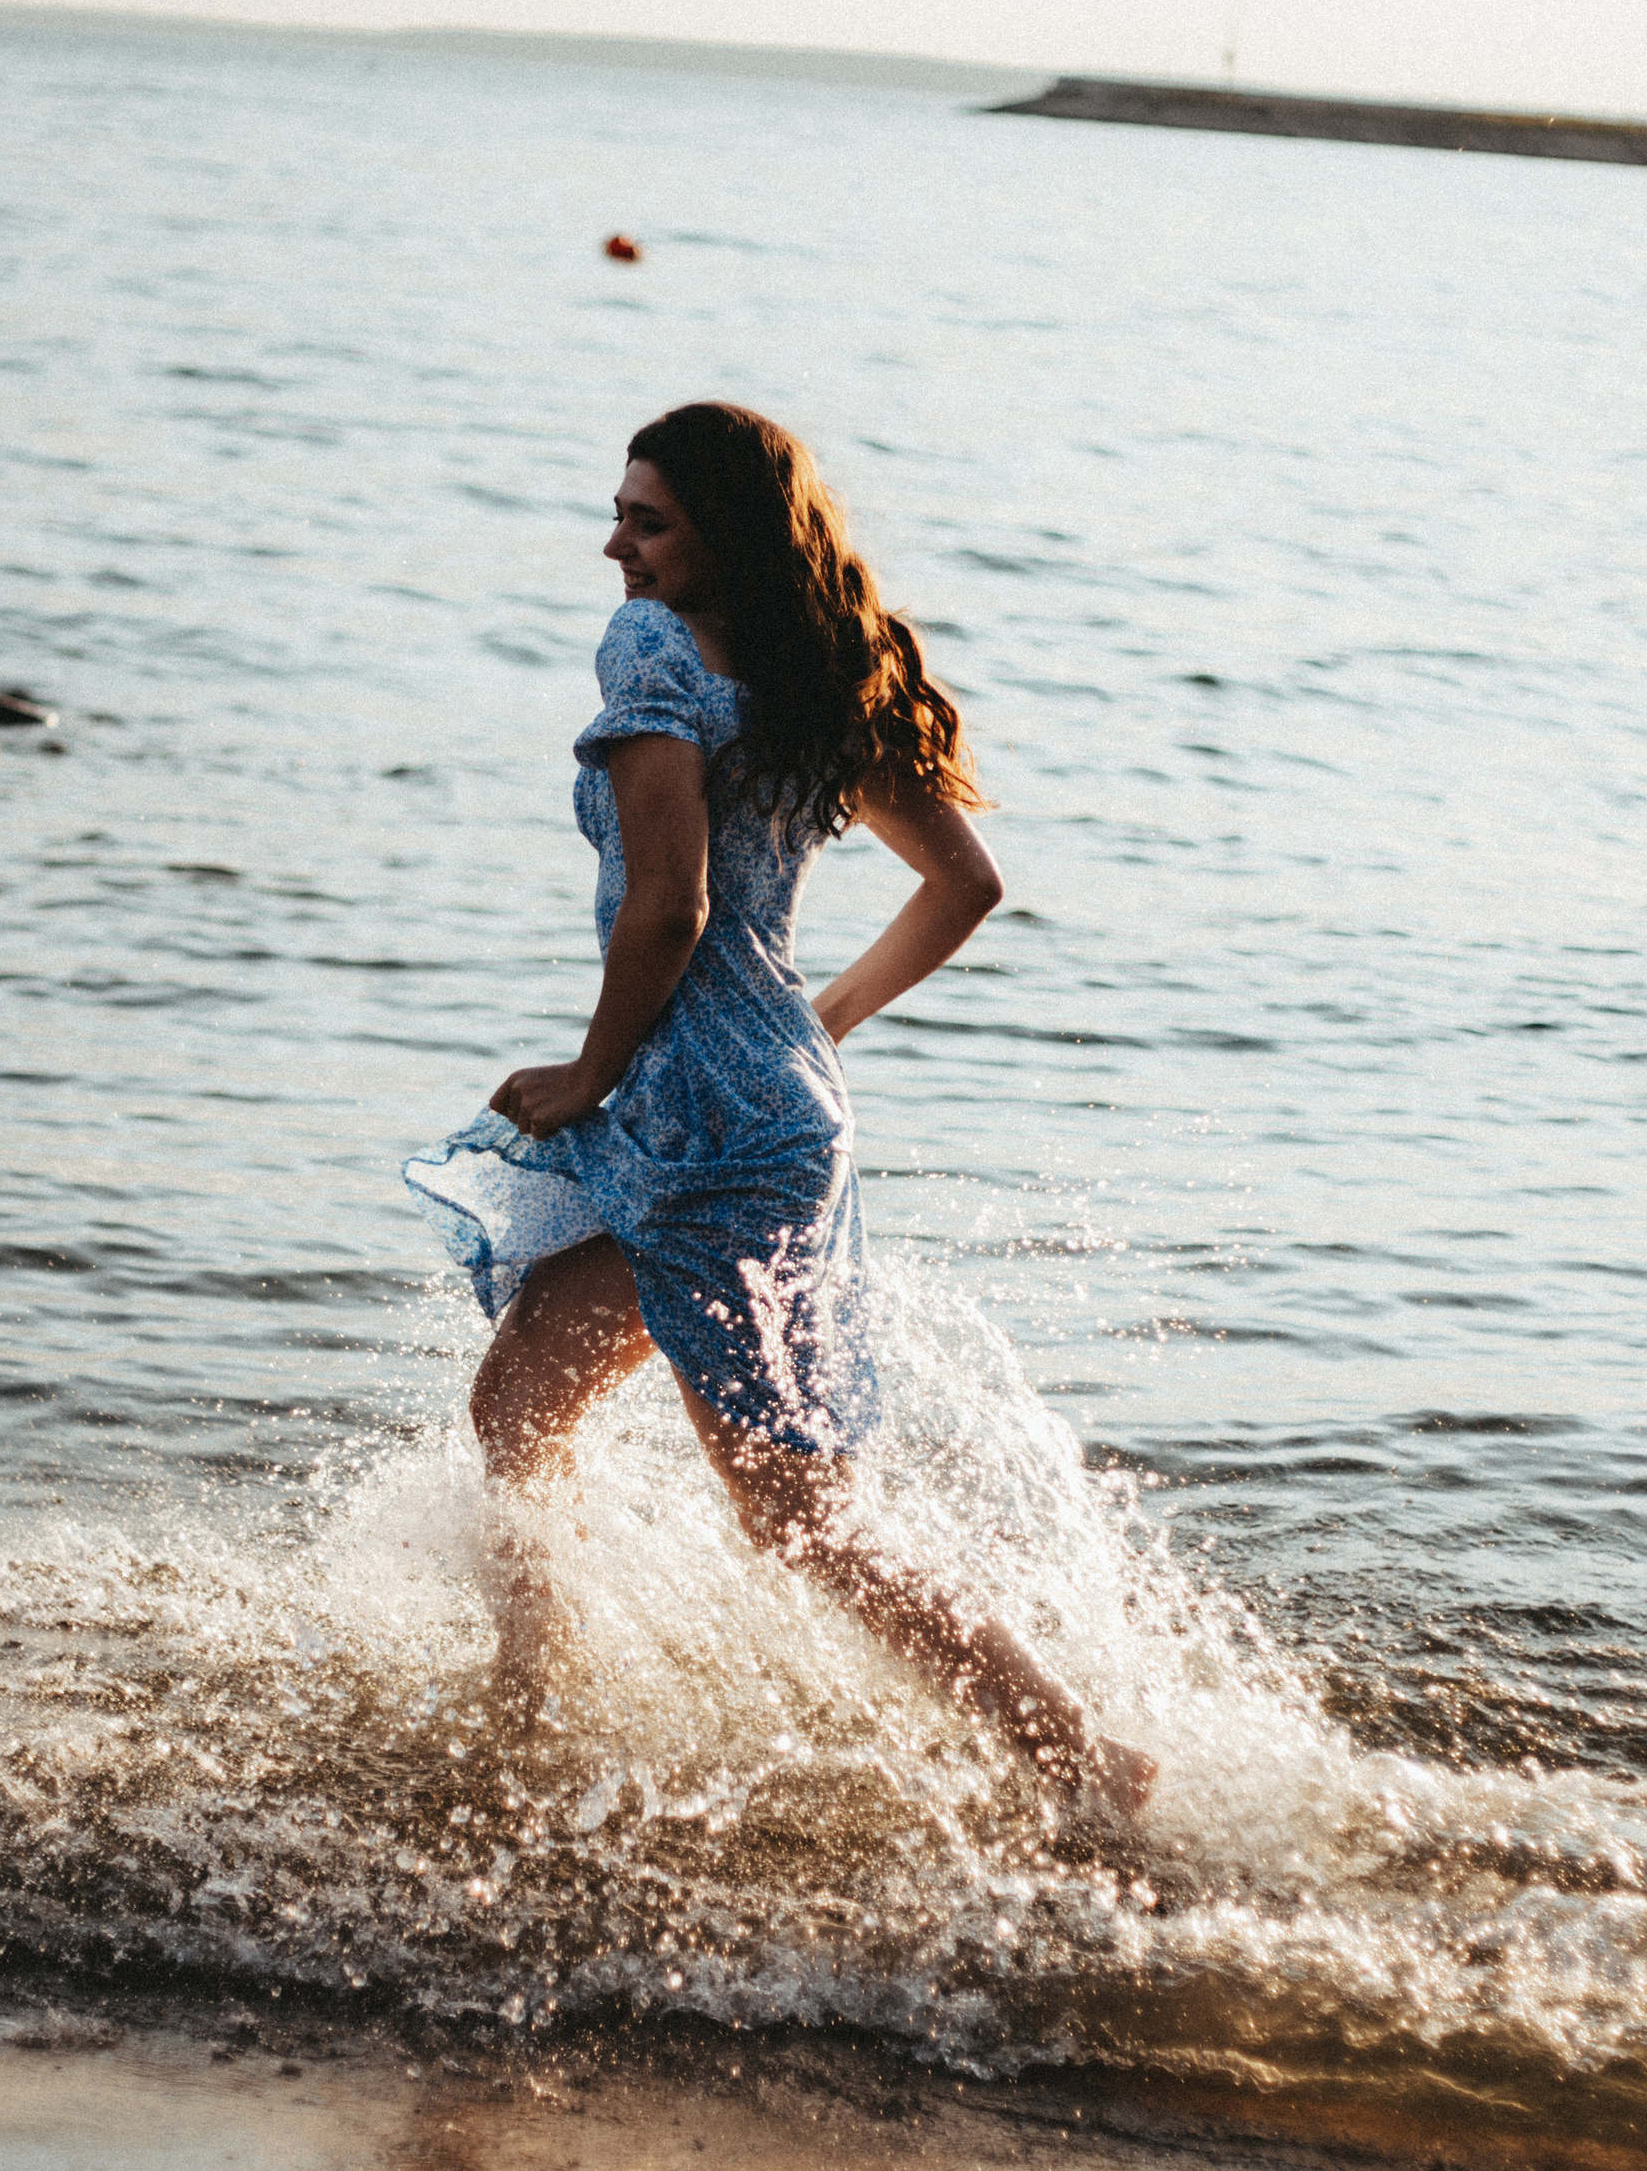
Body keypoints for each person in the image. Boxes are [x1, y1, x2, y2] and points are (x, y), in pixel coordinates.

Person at [408, 400, 1153, 1817]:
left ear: (722, 540)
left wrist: (586, 1075)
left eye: (648, 521)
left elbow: (671, 908)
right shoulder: (818, 669)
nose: (614, 545)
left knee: (805, 1527)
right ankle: (531, 1716)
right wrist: (813, 1028)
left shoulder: (651, 652)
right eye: (619, 512)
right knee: (520, 1401)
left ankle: (1079, 1757)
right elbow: (967, 887)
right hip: (761, 1109)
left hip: (701, 1123)